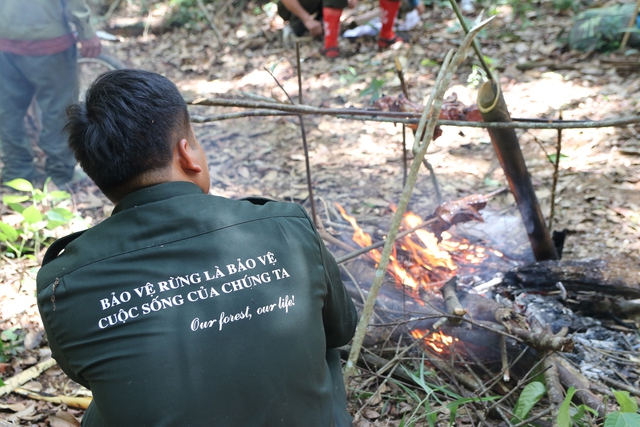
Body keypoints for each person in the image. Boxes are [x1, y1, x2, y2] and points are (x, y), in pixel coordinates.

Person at [36, 69, 358, 426]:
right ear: (187, 153)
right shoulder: (284, 226)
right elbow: (342, 329)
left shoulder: (63, 281)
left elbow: (89, 374)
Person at [0, 0, 101, 187]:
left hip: (5, 42)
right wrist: (86, 32)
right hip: (49, 43)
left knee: (8, 111)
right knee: (59, 110)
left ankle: (16, 173)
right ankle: (60, 175)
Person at [278, 0, 406, 57]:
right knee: (298, 28)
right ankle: (330, 45)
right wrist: (307, 19)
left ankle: (387, 35)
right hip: (295, 6)